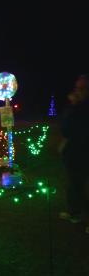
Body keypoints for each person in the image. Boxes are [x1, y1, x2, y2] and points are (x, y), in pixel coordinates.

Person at [59, 74, 89, 234]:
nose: (78, 91)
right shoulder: (76, 106)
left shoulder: (83, 108)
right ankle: (74, 213)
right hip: (73, 152)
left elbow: (74, 128)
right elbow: (66, 126)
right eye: (77, 88)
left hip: (83, 151)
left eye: (82, 88)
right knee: (73, 184)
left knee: (83, 186)